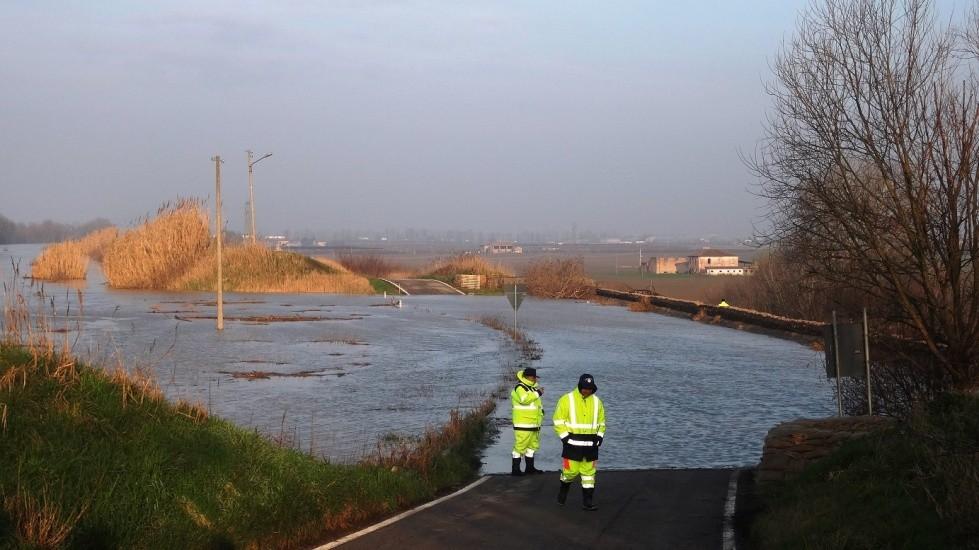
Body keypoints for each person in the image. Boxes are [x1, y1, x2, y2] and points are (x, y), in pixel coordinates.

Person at [552, 373, 606, 511]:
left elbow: (602, 422)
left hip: (591, 447)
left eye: (590, 388)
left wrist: (599, 437)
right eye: (585, 388)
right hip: (572, 445)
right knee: (570, 473)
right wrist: (565, 438)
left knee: (589, 476)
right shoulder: (566, 399)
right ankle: (563, 491)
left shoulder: (597, 402)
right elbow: (558, 421)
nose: (587, 391)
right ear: (580, 386)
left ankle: (587, 502)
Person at [510, 367, 544, 476]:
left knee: (532, 446)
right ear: (528, 377)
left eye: (535, 377)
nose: (535, 379)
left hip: (534, 424)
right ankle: (515, 470)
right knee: (520, 447)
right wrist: (538, 393)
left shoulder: (531, 388)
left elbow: (536, 406)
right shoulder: (520, 388)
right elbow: (524, 400)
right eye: (534, 377)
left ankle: (530, 468)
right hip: (523, 424)